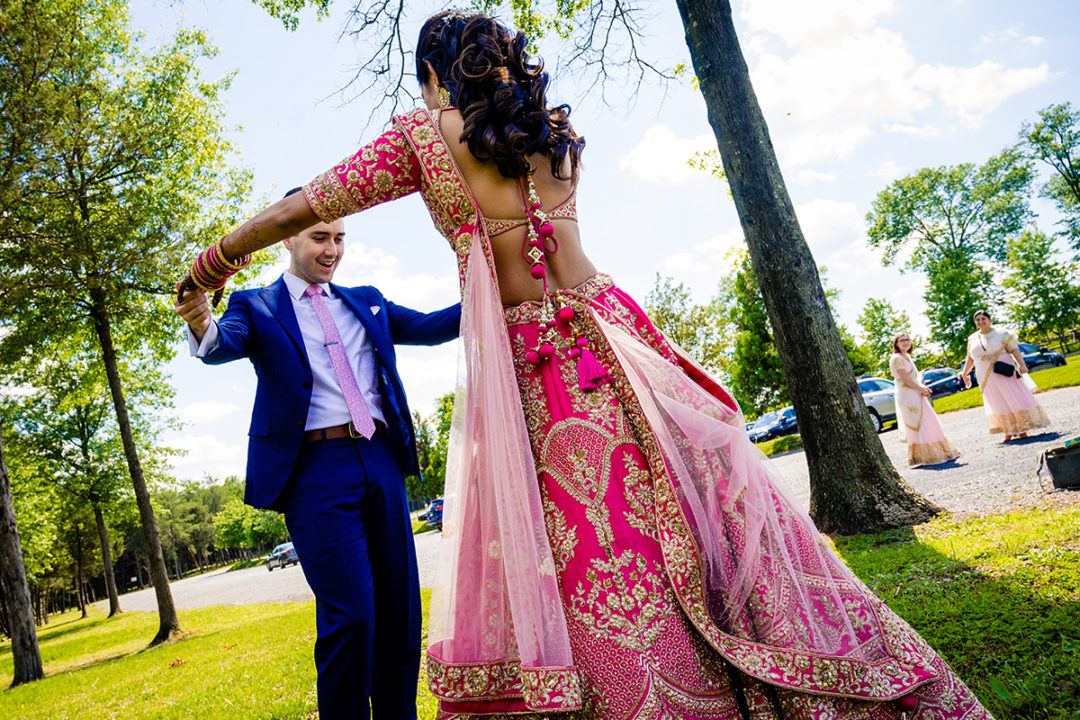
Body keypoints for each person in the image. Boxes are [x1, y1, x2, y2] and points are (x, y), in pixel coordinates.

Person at [176, 13, 991, 719]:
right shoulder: (553, 138)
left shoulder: (426, 139)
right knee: (670, 520)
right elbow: (567, 259)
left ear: (434, 75)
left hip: (536, 370)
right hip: (610, 339)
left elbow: (303, 205)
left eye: (425, 82)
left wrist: (215, 259)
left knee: (588, 552)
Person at [173, 192, 461, 720]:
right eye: (319, 237)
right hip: (313, 473)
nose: (332, 250)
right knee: (351, 617)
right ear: (288, 237)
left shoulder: (367, 299)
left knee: (399, 614)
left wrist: (501, 292)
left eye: (339, 237)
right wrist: (199, 319)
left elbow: (432, 325)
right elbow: (220, 343)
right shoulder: (255, 305)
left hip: (380, 460)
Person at [961, 310, 1050, 442]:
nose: (980, 321)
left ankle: (1022, 429)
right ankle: (1008, 430)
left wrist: (1022, 365)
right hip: (985, 375)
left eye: (983, 318)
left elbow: (1014, 350)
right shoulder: (972, 338)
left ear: (989, 320)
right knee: (997, 401)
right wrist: (964, 372)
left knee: (1012, 397)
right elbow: (970, 357)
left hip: (1003, 371)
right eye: (977, 319)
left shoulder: (1001, 333)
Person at [889, 333, 960, 467]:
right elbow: (905, 379)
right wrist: (920, 389)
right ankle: (926, 456)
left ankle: (943, 451)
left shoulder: (907, 356)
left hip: (915, 392)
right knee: (919, 423)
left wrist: (922, 388)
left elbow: (914, 377)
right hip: (907, 394)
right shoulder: (896, 358)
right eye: (902, 340)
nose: (905, 342)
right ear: (896, 344)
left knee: (928, 420)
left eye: (907, 339)